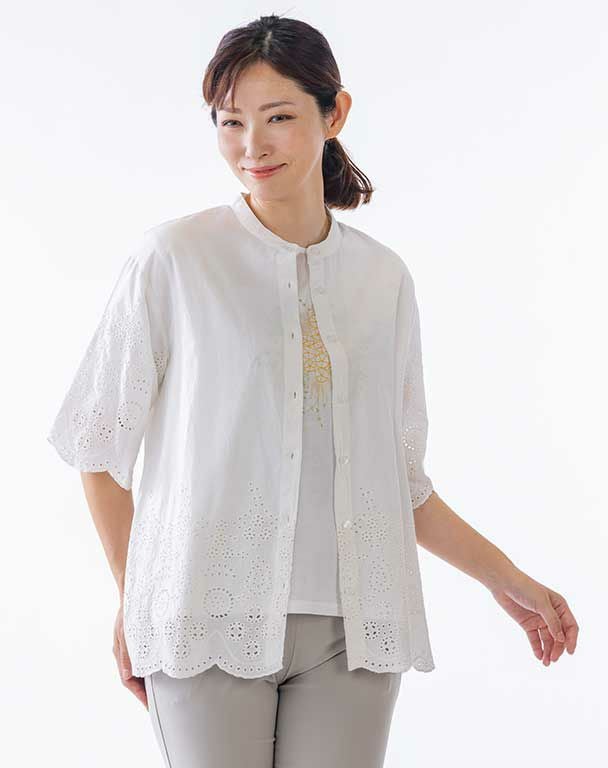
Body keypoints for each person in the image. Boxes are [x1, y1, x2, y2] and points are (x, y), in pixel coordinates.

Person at [46, 13, 579, 768]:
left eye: (278, 118)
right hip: (204, 619)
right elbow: (98, 449)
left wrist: (511, 582)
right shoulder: (174, 259)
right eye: (230, 122)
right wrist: (139, 597)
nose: (251, 146)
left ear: (335, 114)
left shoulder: (383, 280)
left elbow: (399, 484)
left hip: (354, 632)